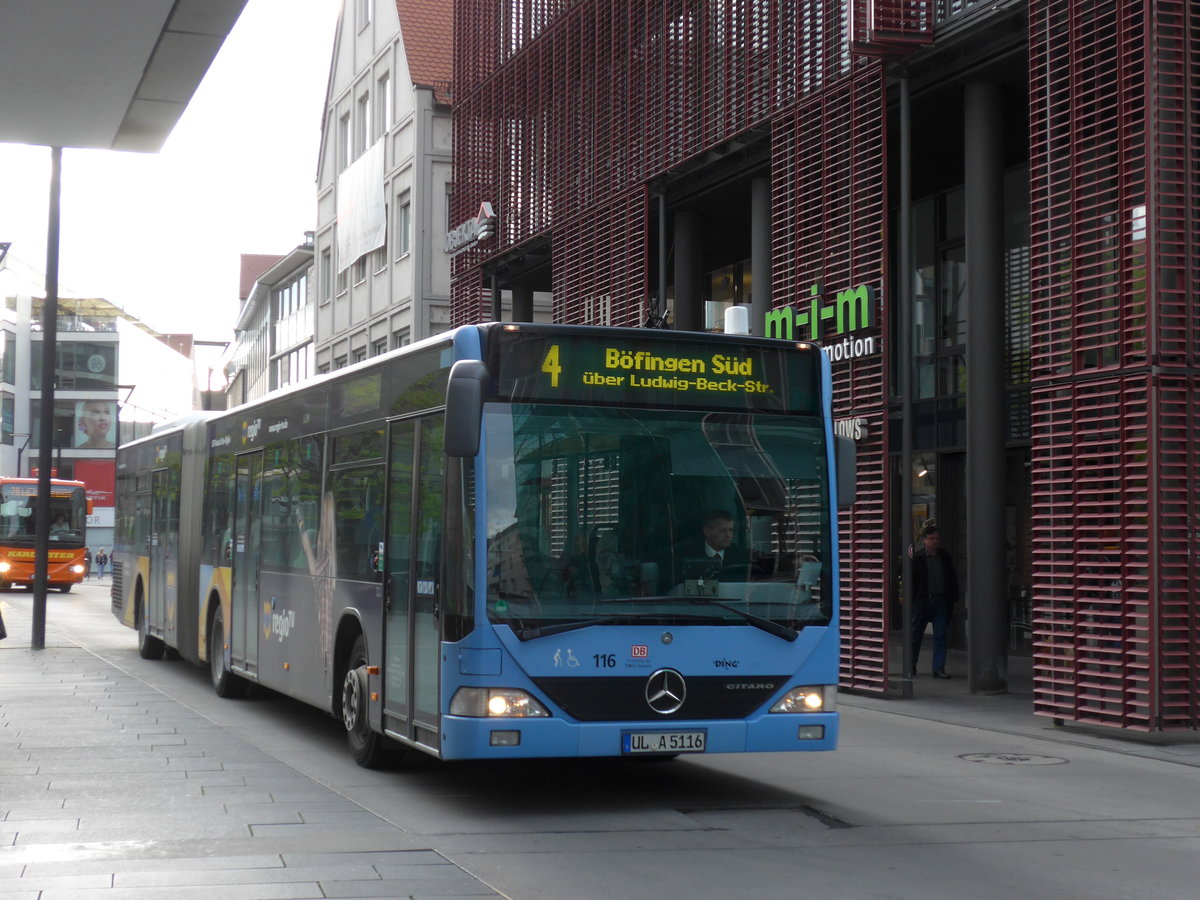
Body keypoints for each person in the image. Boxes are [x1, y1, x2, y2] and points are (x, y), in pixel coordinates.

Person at [911, 526, 960, 678]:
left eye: (937, 539)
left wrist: (954, 599)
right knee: (916, 636)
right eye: (931, 539)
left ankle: (938, 668)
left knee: (940, 635)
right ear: (924, 540)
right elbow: (912, 582)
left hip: (941, 601)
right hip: (923, 602)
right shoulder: (918, 558)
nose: (934, 541)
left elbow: (952, 578)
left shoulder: (944, 557)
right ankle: (911, 666)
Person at [674, 509, 750, 583]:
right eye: (723, 531)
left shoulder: (741, 556)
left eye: (731, 530)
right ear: (707, 531)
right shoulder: (687, 553)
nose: (728, 535)